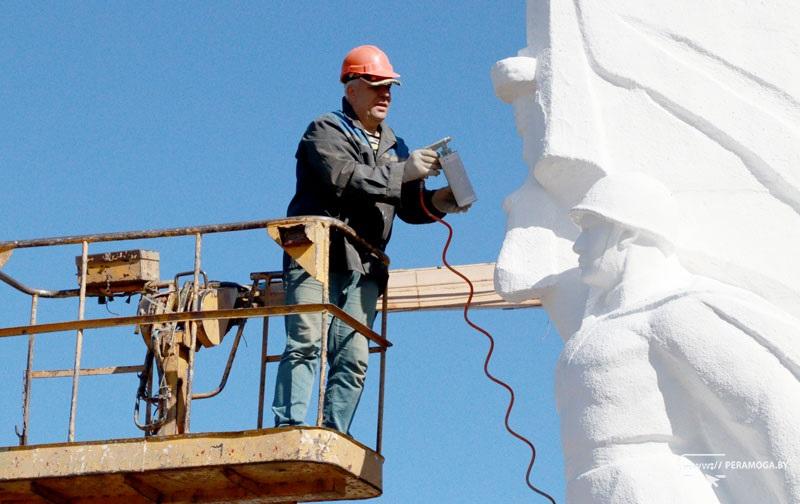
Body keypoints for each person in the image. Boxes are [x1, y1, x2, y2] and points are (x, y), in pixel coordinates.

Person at [561, 172, 800, 503]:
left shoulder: (677, 310)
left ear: (626, 232)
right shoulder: (602, 323)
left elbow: (770, 410)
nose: (578, 245)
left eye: (588, 230)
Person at [272, 45, 470, 434]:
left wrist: (440, 201)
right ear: (351, 90)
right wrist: (404, 171)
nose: (386, 95)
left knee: (353, 355)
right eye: (376, 86)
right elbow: (346, 179)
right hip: (314, 249)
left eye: (389, 88)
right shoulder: (325, 131)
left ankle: (334, 433)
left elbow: (408, 206)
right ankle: (290, 428)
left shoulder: (395, 147)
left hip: (363, 262)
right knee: (307, 340)